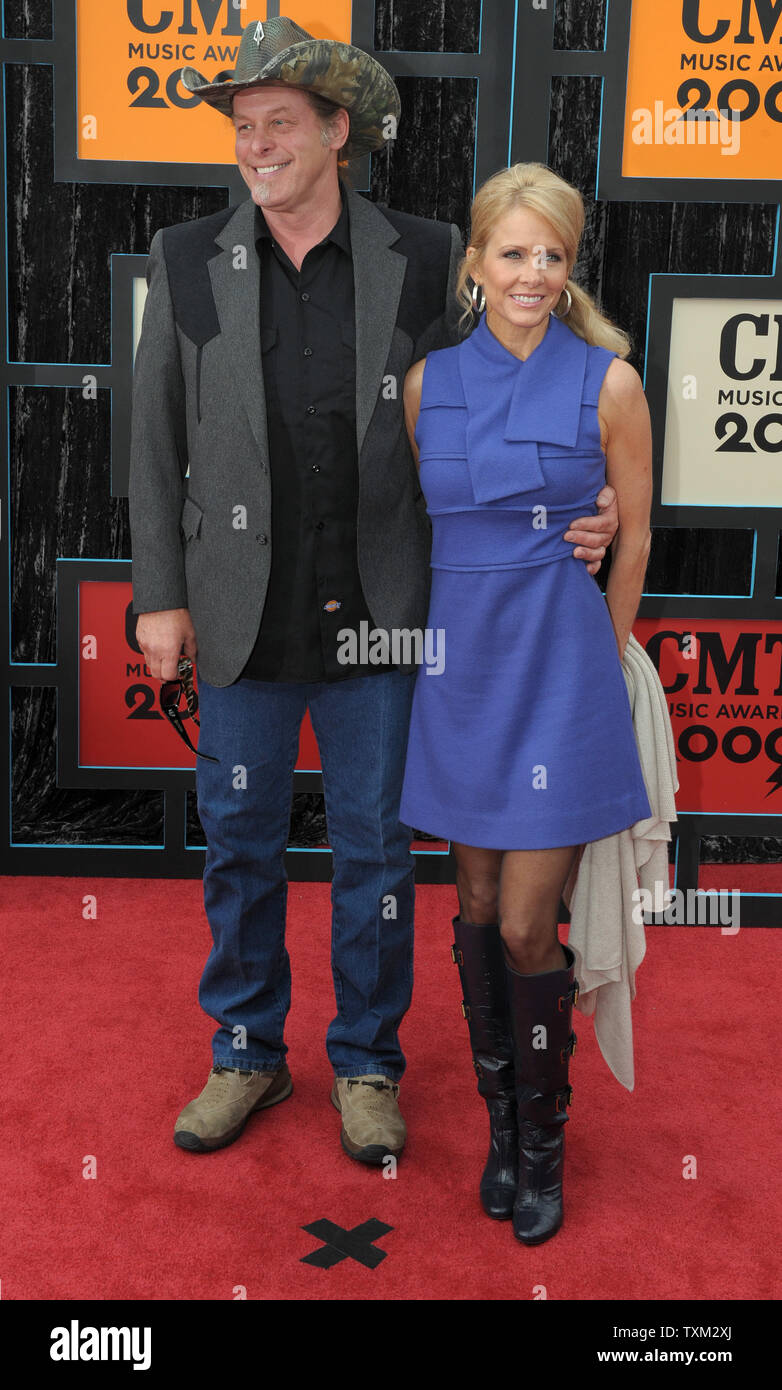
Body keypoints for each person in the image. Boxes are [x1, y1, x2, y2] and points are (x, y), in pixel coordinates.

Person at [128, 19, 619, 1165]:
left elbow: (501, 386)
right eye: (244, 127)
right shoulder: (187, 255)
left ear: (335, 132)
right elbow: (152, 440)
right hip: (240, 609)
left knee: (375, 854)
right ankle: (245, 1048)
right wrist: (159, 594)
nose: (257, 145)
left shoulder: (427, 251)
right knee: (238, 840)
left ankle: (365, 1061)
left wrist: (584, 493)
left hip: (387, 614)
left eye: (279, 124)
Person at [399, 161, 654, 1242]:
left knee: (520, 923)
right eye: (513, 252)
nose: (533, 273)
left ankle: (543, 1139)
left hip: (559, 673)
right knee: (468, 909)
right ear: (475, 264)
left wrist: (602, 656)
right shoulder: (426, 385)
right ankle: (501, 1131)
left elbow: (632, 538)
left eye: (552, 254)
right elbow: (433, 526)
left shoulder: (609, 384)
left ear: (569, 266)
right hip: (461, 676)